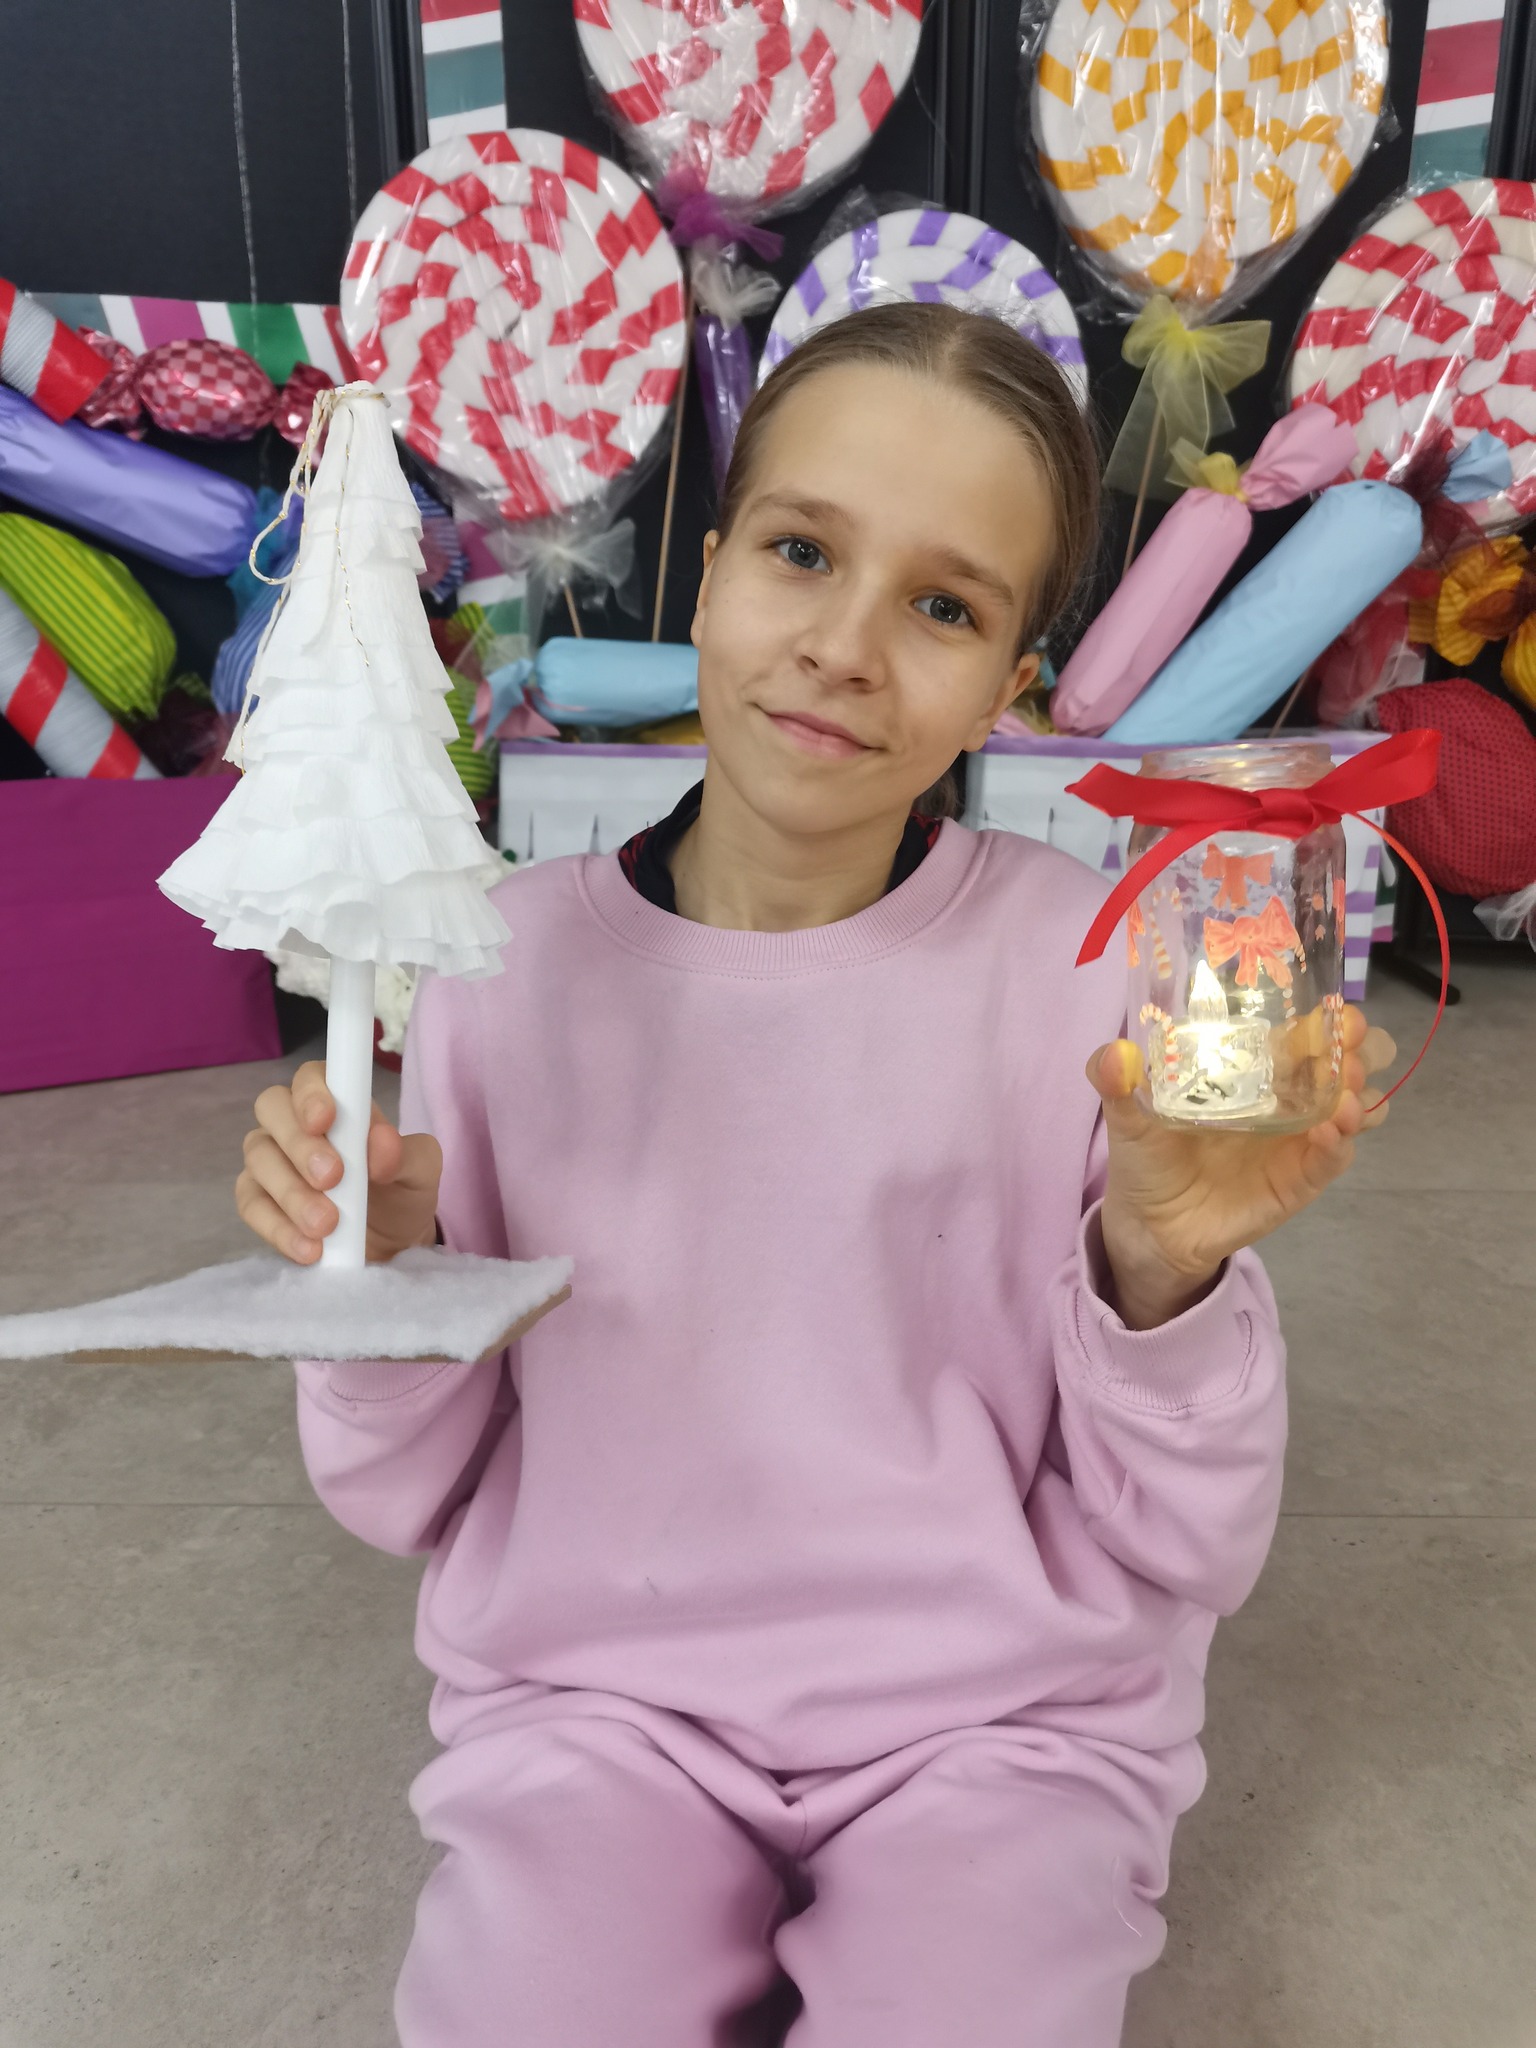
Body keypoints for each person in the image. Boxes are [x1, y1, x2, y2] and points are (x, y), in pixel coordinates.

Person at [236, 303, 1395, 2048]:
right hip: (600, 1711)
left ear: (1011, 683)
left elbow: (1195, 1541)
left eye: (945, 607)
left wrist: (1164, 1271)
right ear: (706, 580)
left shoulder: (1094, 977)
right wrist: (376, 1292)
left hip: (1005, 1731)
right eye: (800, 553)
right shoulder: (494, 972)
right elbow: (396, 1497)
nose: (846, 648)